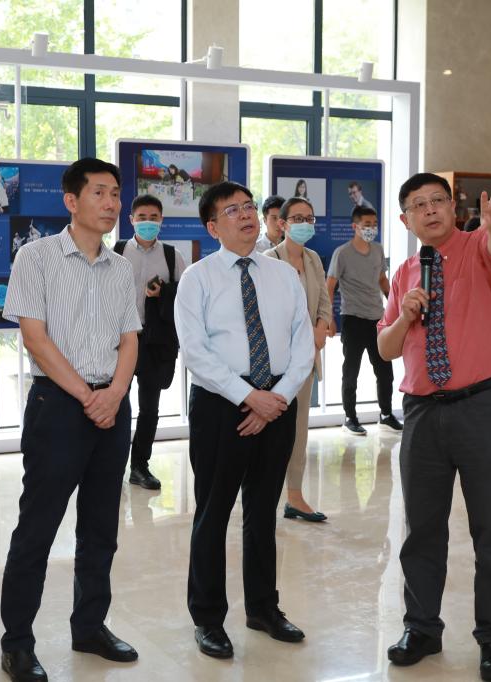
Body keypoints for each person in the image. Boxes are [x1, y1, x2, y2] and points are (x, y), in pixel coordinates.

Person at [0, 158, 141, 681]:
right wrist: (87, 396)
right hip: (58, 406)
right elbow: (34, 338)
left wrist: (115, 393)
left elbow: (130, 338)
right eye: (99, 193)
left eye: (115, 194)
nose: (110, 203)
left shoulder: (121, 266)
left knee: (101, 526)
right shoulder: (36, 257)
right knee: (37, 528)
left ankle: (90, 627)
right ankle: (17, 642)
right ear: (71, 201)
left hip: (113, 405)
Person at [377, 174, 491, 681]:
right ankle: (421, 628)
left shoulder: (478, 246)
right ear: (406, 219)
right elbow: (387, 348)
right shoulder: (404, 273)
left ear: (452, 207)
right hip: (422, 413)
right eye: (419, 205)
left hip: (485, 407)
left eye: (438, 200)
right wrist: (404, 316)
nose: (431, 210)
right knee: (421, 528)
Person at [174, 181, 314, 660]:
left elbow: (302, 344)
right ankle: (208, 618)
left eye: (250, 206)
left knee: (262, 512)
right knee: (213, 513)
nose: (247, 215)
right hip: (220, 404)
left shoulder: (283, 275)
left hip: (277, 402)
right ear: (212, 227)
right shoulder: (197, 278)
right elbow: (195, 352)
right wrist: (248, 397)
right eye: (232, 210)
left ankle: (263, 608)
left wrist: (276, 398)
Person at [263, 196, 332, 523]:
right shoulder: (268, 260)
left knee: (298, 430)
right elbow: (266, 313)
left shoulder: (313, 258)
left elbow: (325, 301)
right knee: (271, 431)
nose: (305, 224)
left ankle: (294, 496)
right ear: (283, 224)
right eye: (298, 218)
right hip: (276, 363)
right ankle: (263, 495)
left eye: (310, 218)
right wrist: (306, 335)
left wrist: (321, 326)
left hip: (306, 362)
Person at [114, 193, 186, 490]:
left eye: (153, 217)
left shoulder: (172, 255)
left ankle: (139, 466)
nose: (147, 222)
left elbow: (186, 295)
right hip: (120, 340)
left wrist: (163, 292)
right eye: (141, 217)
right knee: (116, 404)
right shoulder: (116, 251)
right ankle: (111, 465)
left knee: (149, 408)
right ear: (131, 220)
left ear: (161, 220)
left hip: (154, 342)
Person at [327, 206, 402, 435]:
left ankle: (386, 415)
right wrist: (328, 317)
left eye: (374, 224)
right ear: (355, 226)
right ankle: (350, 418)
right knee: (351, 372)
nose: (371, 228)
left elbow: (382, 279)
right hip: (352, 319)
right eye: (367, 224)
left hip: (377, 319)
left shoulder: (378, 250)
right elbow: (330, 286)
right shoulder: (342, 253)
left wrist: (395, 307)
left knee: (385, 371)